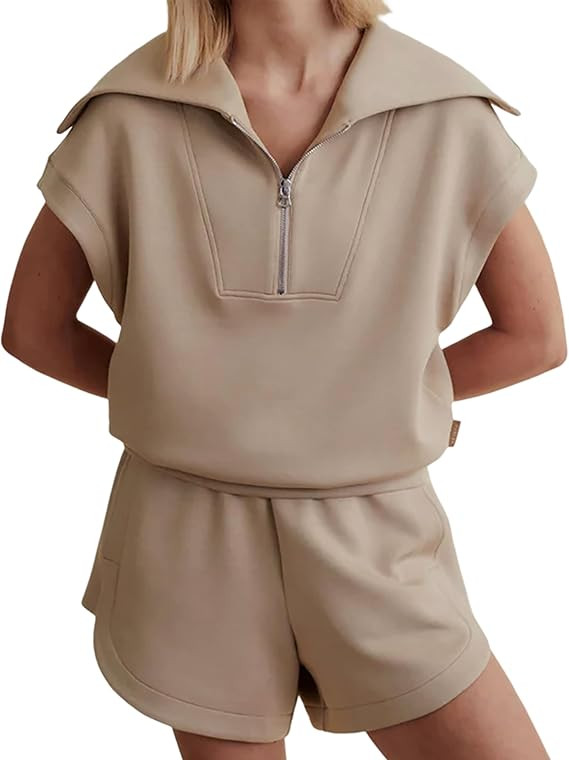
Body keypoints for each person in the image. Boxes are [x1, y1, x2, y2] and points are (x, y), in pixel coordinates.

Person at [2, 1, 564, 758]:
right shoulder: (129, 111)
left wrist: (368, 397)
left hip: (369, 533)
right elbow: (32, 329)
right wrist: (183, 394)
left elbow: (535, 337)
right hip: (188, 535)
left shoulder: (445, 112)